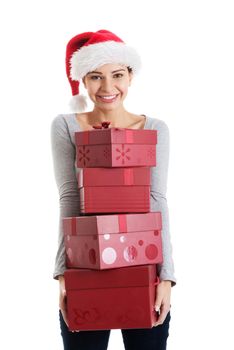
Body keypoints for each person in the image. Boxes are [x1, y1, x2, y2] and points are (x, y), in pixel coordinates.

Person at [51, 29, 176, 350]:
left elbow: (156, 199)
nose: (108, 88)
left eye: (117, 75)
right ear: (83, 80)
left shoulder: (153, 128)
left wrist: (167, 277)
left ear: (131, 76)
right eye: (95, 77)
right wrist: (63, 274)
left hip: (142, 264)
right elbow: (69, 197)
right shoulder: (66, 126)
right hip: (86, 266)